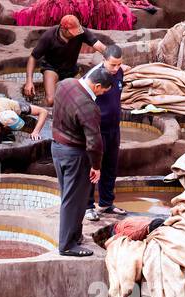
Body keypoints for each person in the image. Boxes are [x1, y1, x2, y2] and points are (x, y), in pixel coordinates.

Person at [51, 66, 112, 257]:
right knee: (72, 200)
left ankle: (75, 235)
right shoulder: (89, 107)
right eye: (103, 91)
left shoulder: (65, 84)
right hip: (74, 155)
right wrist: (96, 166)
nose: (102, 94)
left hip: (57, 148)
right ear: (97, 85)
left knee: (70, 196)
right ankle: (67, 245)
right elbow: (94, 143)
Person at [24, 15, 108, 107]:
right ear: (63, 29)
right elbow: (33, 57)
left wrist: (111, 56)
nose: (76, 34)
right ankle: (40, 110)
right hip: (51, 68)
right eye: (72, 32)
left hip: (71, 69)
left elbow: (98, 45)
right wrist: (29, 81)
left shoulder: (81, 31)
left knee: (84, 97)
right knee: (50, 100)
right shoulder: (49, 36)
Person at [86, 46, 127, 221]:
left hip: (113, 128)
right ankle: (87, 206)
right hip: (97, 129)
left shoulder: (120, 73)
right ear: (104, 60)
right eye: (112, 65)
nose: (116, 68)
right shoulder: (93, 76)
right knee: (94, 168)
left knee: (111, 166)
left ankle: (106, 203)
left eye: (119, 64)